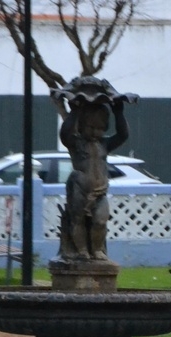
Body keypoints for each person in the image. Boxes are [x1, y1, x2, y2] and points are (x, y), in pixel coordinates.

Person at [59, 97, 129, 261]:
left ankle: (97, 249)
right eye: (90, 127)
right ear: (81, 126)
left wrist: (118, 112)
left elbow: (123, 135)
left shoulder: (104, 144)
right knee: (78, 220)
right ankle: (81, 250)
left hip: (99, 192)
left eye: (99, 128)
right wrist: (74, 112)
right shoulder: (77, 144)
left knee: (100, 221)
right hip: (80, 188)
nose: (94, 132)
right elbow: (64, 134)